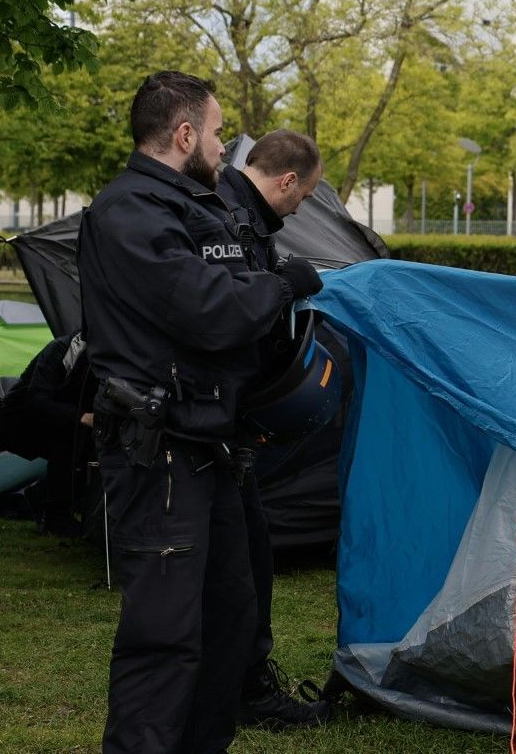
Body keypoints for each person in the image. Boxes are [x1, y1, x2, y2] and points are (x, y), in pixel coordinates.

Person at [80, 72, 324, 753]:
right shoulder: (129, 213)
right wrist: (282, 284)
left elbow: (228, 293)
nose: (224, 147)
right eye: (218, 132)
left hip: (211, 446)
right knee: (164, 638)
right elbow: (211, 309)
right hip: (160, 452)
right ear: (184, 134)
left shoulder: (196, 205)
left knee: (228, 622)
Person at [214, 130, 330, 731]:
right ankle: (248, 692)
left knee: (246, 558)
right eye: (304, 196)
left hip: (224, 421)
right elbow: (227, 314)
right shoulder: (227, 217)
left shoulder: (241, 217)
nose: (301, 207)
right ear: (286, 180)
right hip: (210, 425)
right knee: (243, 566)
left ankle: (237, 683)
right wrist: (286, 283)